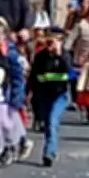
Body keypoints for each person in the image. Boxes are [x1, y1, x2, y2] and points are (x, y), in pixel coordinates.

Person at [0, 18, 28, 168]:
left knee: (7, 124)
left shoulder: (11, 53)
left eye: (0, 33)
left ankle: (9, 147)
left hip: (6, 94)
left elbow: (17, 76)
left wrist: (17, 96)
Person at [30, 27, 71, 167]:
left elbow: (69, 73)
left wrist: (59, 55)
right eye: (48, 41)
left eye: (53, 42)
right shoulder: (40, 57)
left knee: (53, 120)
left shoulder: (65, 56)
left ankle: (49, 152)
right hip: (44, 94)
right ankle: (50, 148)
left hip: (60, 95)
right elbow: (34, 77)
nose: (50, 45)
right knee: (47, 123)